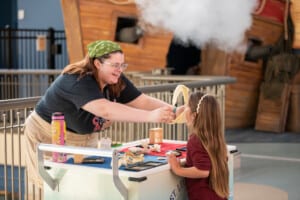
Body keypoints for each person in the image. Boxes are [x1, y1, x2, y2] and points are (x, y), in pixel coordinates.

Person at [24, 40, 176, 199]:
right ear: (97, 63)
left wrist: (173, 110)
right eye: (115, 65)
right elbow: (105, 109)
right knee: (52, 188)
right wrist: (151, 116)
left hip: (84, 137)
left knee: (86, 187)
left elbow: (141, 100)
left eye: (122, 65)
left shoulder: (115, 80)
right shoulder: (77, 79)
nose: (119, 70)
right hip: (49, 135)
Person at [168, 92, 229, 200]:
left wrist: (177, 169)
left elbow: (203, 171)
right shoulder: (215, 137)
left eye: (186, 106)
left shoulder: (195, 140)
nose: (183, 109)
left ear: (193, 115)